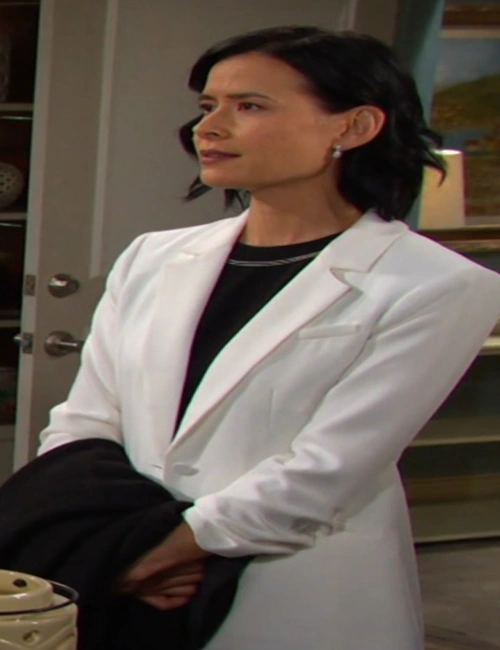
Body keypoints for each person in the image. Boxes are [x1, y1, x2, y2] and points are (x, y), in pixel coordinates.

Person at [38, 26, 500, 650]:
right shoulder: (152, 257)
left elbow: (327, 469)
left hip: (292, 592)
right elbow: (85, 421)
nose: (208, 127)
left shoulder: (437, 285)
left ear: (355, 126)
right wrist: (110, 551)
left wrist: (167, 552)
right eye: (208, 106)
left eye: (249, 106)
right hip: (124, 582)